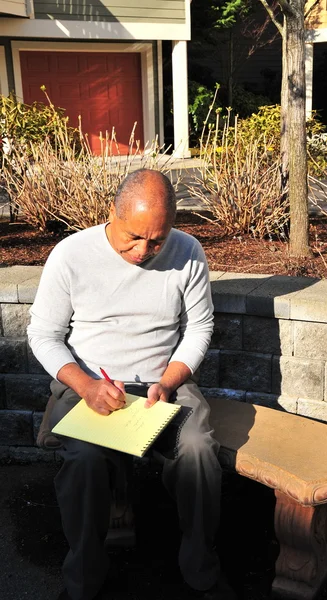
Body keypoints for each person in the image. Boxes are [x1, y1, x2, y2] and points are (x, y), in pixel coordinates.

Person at [27, 169, 236, 600]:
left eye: (157, 240)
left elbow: (199, 328)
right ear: (112, 214)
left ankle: (200, 569)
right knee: (83, 459)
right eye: (134, 237)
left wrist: (169, 380)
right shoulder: (71, 254)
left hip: (165, 383)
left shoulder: (189, 252)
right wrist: (85, 386)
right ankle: (83, 580)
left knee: (197, 451)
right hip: (91, 383)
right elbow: (43, 335)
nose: (144, 251)